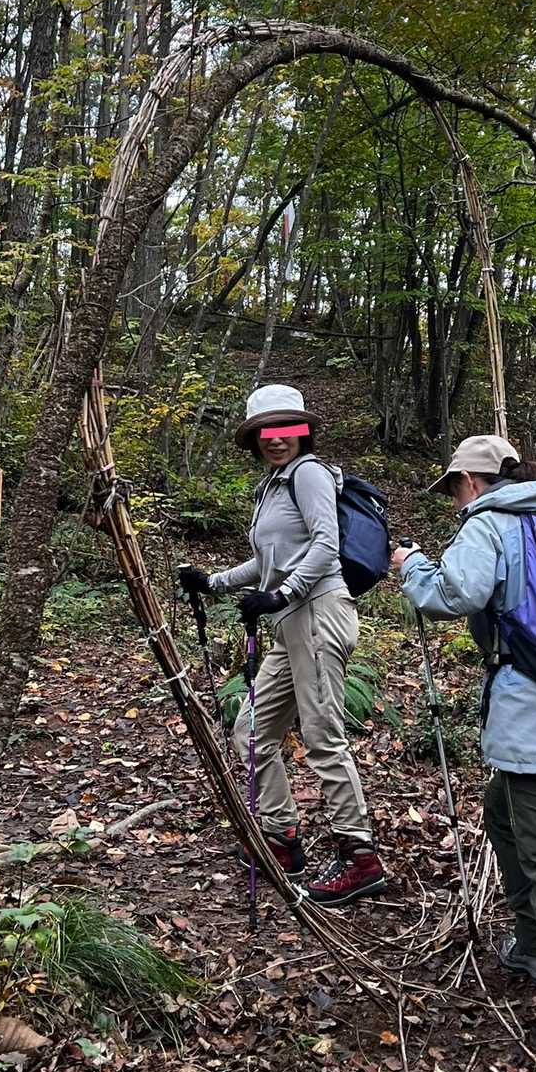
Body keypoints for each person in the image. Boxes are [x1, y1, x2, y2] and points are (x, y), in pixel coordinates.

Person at [392, 434, 536, 1070]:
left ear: (472, 482)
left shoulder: (491, 523)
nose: (454, 499)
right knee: (501, 811)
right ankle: (534, 945)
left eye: (454, 487)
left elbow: (451, 596)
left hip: (535, 712)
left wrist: (412, 566)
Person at [179, 384, 386, 906]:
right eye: (265, 431)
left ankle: (360, 857)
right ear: (255, 439)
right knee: (251, 731)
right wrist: (214, 582)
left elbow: (326, 545)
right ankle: (282, 837)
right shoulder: (271, 486)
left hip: (318, 612)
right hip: (291, 621)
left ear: (302, 432)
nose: (276, 439)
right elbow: (268, 560)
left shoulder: (309, 473)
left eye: (286, 428)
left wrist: (282, 594)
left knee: (322, 738)